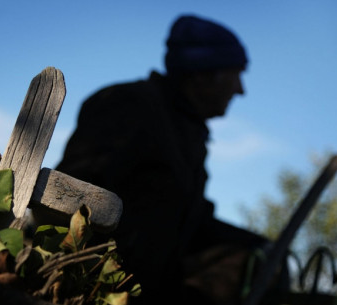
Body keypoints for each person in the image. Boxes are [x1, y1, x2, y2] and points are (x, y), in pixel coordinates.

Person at [56, 15, 289, 304]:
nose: (240, 89)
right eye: (236, 74)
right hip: (99, 288)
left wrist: (261, 244)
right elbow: (70, 193)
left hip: (150, 289)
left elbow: (192, 220)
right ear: (205, 73)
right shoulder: (129, 105)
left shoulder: (187, 131)